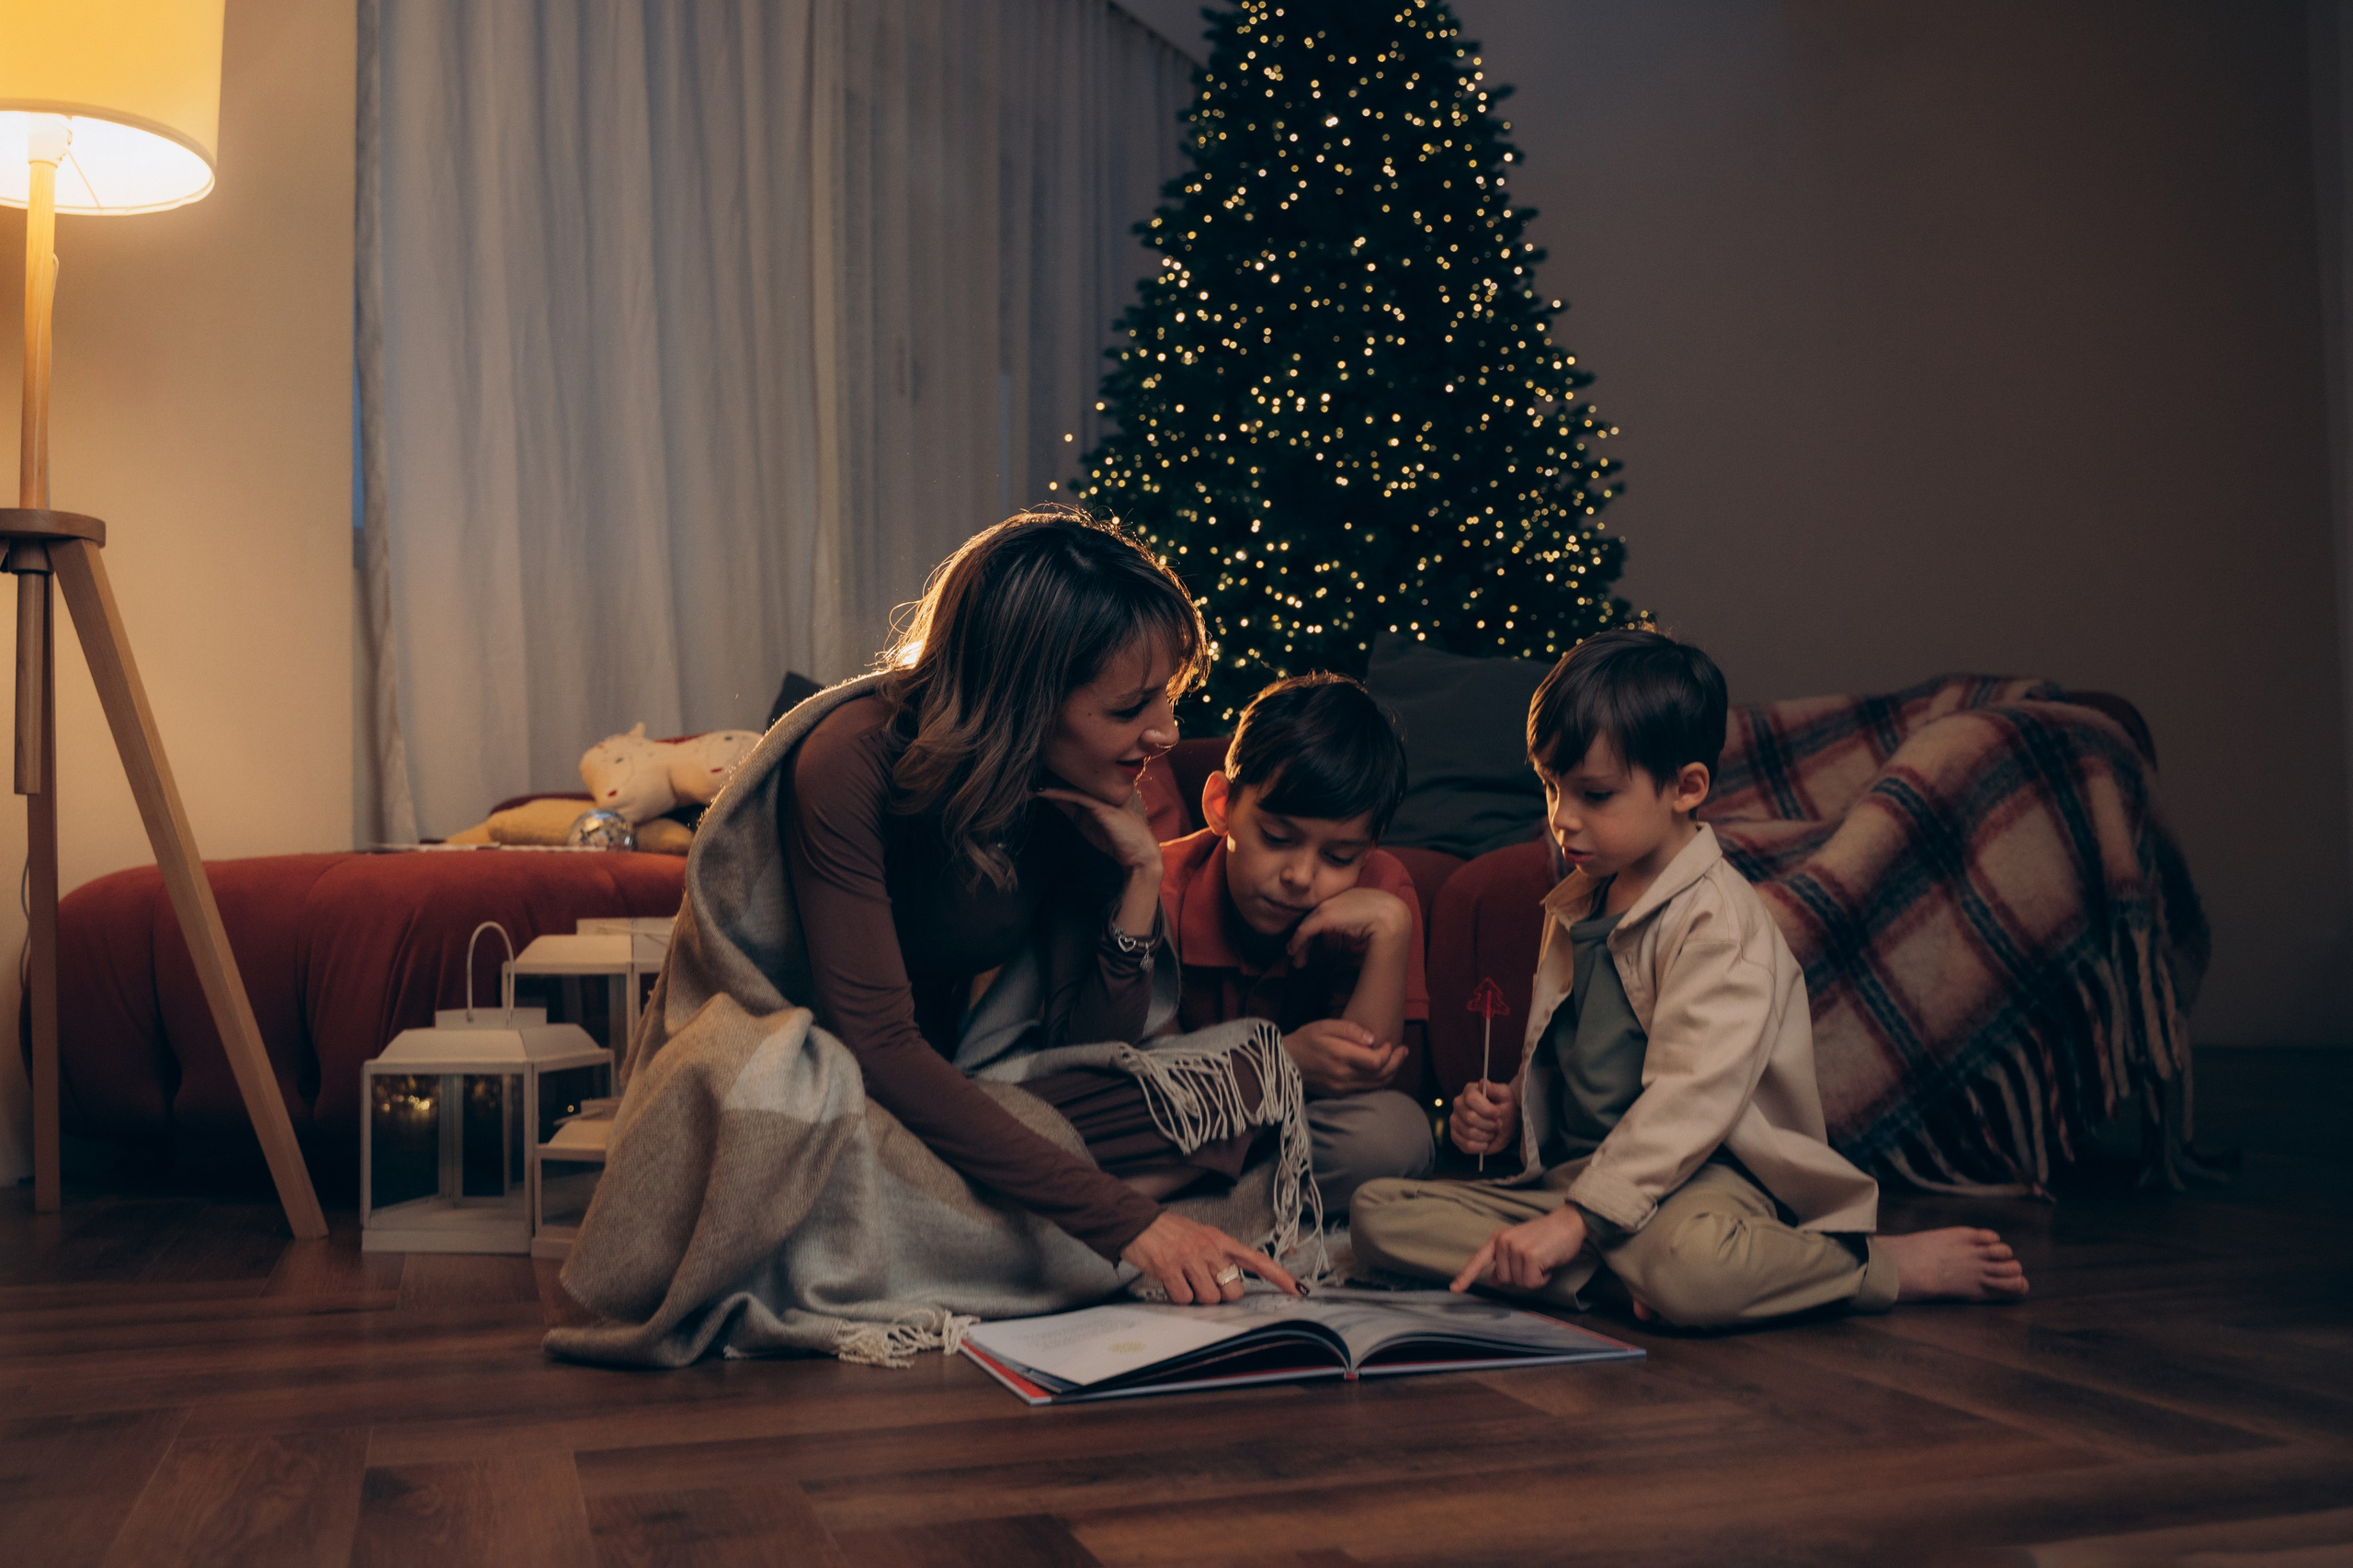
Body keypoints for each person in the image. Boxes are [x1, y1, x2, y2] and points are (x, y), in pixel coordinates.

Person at [1350, 630, 2029, 1328]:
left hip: (1704, 1182)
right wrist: (1507, 1108)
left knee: (1691, 1268)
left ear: (1687, 788)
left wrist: (1573, 1226)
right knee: (1377, 1215)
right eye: (1551, 788)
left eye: (1595, 794)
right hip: (1586, 1179)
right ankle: (1617, 1287)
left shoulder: (1722, 925)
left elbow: (1688, 1104)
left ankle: (1872, 1269)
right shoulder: (1580, 900)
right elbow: (1584, 1056)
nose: (1561, 819)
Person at [785, 510, 1302, 1307]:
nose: (1166, 731)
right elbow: (878, 1044)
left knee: (1245, 1079)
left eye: (1164, 697)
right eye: (1132, 707)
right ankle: (984, 1208)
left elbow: (1088, 1046)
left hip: (967, 1091)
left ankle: (968, 1204)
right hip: (838, 1088)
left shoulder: (1069, 795)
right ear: (1021, 698)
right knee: (795, 1138)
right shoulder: (851, 759)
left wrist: (1135, 882)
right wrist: (1133, 1224)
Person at [1158, 675, 1438, 1214]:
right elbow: (1146, 1075)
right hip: (1177, 1119)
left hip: (1292, 1133)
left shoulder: (1383, 893)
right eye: (1277, 839)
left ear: (1368, 847)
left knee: (1395, 1137)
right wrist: (1281, 1063)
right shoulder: (1159, 890)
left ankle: (1188, 1207)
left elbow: (1364, 1078)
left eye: (1339, 858)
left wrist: (1392, 932)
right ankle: (1226, 1209)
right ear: (1221, 805)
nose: (1301, 876)